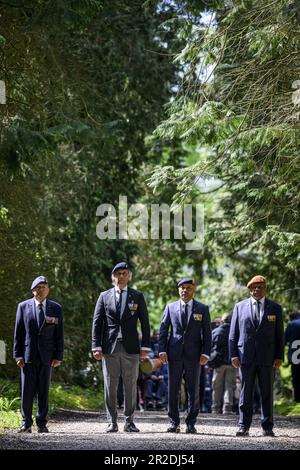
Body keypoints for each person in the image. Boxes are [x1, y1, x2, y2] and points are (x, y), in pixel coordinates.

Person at [92, 262, 151, 433]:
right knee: (110, 385)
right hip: (109, 348)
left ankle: (129, 421)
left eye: (124, 273)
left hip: (131, 348)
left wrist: (145, 346)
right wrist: (96, 346)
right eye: (118, 274)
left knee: (130, 385)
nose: (121, 276)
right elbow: (97, 323)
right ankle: (111, 421)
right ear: (113, 277)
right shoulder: (104, 296)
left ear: (129, 276)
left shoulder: (137, 296)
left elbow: (145, 323)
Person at [229, 275, 284, 437]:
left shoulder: (275, 308)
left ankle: (267, 426)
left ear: (265, 288)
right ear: (250, 290)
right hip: (245, 357)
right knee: (245, 394)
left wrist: (279, 356)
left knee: (267, 392)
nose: (257, 290)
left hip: (268, 357)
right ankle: (243, 426)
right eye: (254, 287)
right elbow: (233, 334)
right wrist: (233, 355)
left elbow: (279, 335)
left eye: (260, 287)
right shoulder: (240, 307)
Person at [159, 278, 211, 433]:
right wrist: (162, 350)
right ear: (178, 290)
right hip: (174, 355)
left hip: (194, 356)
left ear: (193, 289)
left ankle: (191, 422)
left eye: (188, 288)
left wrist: (206, 353)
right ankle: (173, 422)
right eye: (182, 288)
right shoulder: (170, 307)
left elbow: (207, 334)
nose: (184, 290)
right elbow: (163, 330)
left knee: (193, 390)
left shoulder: (202, 308)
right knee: (173, 390)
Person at [13, 276, 64, 433]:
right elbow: (18, 333)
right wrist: (18, 355)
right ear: (33, 290)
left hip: (47, 357)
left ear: (48, 289)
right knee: (27, 391)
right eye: (38, 287)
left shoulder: (56, 308)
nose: (41, 289)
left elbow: (59, 334)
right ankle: (26, 423)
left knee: (43, 391)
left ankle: (41, 423)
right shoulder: (23, 307)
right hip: (28, 357)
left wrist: (59, 356)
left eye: (44, 286)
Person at [210, 313, 236, 415]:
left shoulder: (215, 331)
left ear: (222, 321)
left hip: (218, 364)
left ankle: (215, 408)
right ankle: (227, 409)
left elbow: (210, 347)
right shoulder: (235, 332)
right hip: (231, 363)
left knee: (216, 387)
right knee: (229, 386)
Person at [285, 312, 300, 402]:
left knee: (296, 378)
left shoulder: (292, 324)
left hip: (295, 357)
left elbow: (285, 339)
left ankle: (297, 398)